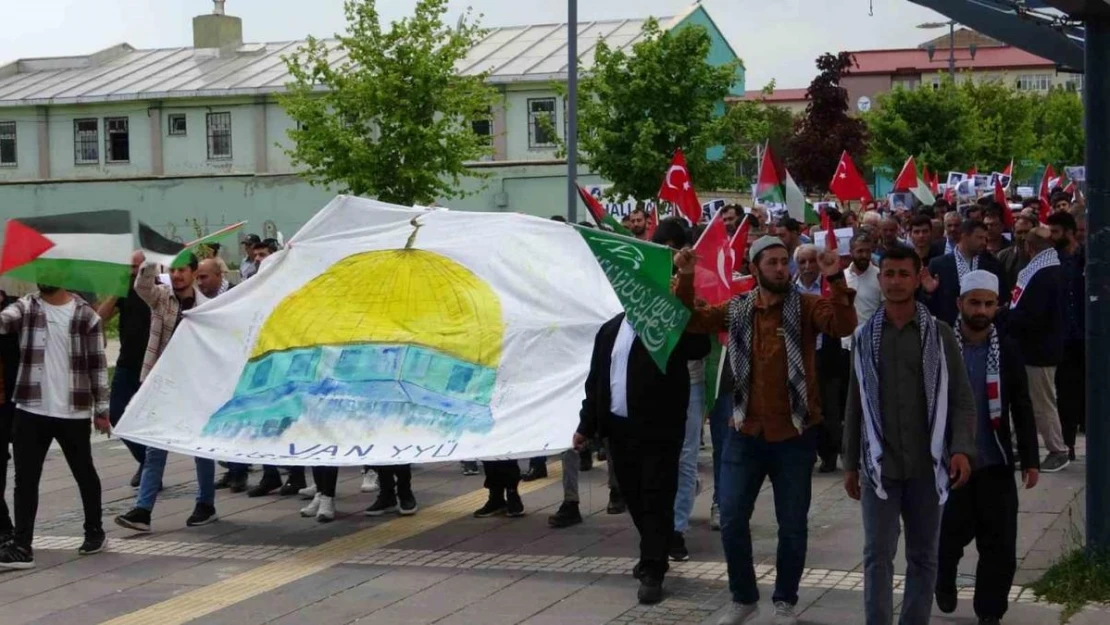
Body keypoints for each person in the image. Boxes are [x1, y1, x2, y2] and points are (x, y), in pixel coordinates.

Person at [674, 236, 857, 624]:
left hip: (794, 435)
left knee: (791, 525)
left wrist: (835, 277)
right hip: (744, 434)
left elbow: (842, 324)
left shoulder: (807, 306)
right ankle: (743, 598)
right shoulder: (738, 309)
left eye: (782, 262)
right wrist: (686, 275)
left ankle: (785, 602)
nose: (779, 269)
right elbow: (692, 318)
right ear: (755, 269)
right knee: (734, 519)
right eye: (771, 262)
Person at [843, 244, 976, 625]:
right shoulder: (864, 337)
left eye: (904, 274)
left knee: (923, 556)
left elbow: (963, 401)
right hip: (879, 467)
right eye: (889, 274)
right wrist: (850, 463)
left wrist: (962, 449)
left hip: (927, 465)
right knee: (877, 555)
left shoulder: (940, 335)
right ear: (880, 278)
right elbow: (856, 404)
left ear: (918, 278)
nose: (896, 281)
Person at [573, 308, 709, 605]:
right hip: (619, 430)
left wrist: (682, 306)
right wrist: (586, 425)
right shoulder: (610, 329)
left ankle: (653, 569)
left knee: (656, 497)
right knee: (633, 497)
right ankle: (654, 549)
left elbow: (700, 347)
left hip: (660, 430)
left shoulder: (667, 323)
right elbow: (597, 380)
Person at [935, 270, 1040, 625]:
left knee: (1000, 546)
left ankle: (989, 612)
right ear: (959, 303)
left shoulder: (1006, 349)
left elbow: (1022, 405)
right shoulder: (940, 345)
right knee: (948, 538)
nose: (981, 310)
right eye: (975, 303)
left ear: (997, 306)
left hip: (994, 460)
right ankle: (943, 580)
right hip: (948, 464)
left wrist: (1030, 460)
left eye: (989, 304)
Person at [0, 283, 110, 569]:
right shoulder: (27, 306)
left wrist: (102, 410)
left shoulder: (87, 316)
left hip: (72, 410)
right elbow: (4, 322)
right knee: (25, 479)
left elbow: (97, 365)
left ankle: (94, 531)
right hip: (31, 407)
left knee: (83, 471)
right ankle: (22, 546)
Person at [115, 254, 219, 533]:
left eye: (182, 270)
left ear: (194, 273)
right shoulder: (162, 298)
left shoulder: (206, 307)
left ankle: (205, 504)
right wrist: (151, 259)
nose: (177, 276)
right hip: (163, 382)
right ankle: (143, 510)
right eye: (173, 270)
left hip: (194, 384)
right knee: (155, 447)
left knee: (200, 447)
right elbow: (141, 286)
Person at [1004, 225, 1069, 472]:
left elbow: (1032, 315)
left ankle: (1057, 450)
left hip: (1038, 350)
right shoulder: (1052, 269)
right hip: (1038, 348)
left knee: (1042, 403)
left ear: (1029, 248)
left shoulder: (1041, 274)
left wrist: (1006, 316)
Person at [94, 251, 151, 487]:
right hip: (127, 363)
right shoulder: (124, 290)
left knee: (149, 420)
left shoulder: (158, 290)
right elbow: (98, 319)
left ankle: (151, 471)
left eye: (136, 267)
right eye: (129, 267)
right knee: (117, 414)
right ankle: (147, 463)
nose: (132, 271)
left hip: (153, 366)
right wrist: (116, 291)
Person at [795, 245, 847, 473]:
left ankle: (829, 454)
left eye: (811, 261)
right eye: (802, 262)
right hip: (799, 357)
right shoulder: (789, 290)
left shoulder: (828, 288)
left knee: (828, 408)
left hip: (826, 357)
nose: (807, 267)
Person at [1047, 212, 1085, 462]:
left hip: (1089, 338)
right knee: (1065, 393)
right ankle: (1067, 443)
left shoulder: (1090, 258)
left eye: (1056, 232)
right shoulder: (1050, 261)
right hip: (1063, 339)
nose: (1051, 237)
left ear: (1070, 232)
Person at [922, 220, 1008, 327]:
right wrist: (929, 292)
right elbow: (929, 304)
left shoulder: (993, 265)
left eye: (985, 239)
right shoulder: (938, 264)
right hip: (948, 328)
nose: (984, 243)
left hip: (983, 326)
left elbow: (1002, 297)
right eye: (979, 238)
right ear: (965, 236)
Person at [846, 233, 882, 330]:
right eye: (860, 251)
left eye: (868, 251)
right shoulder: (843, 277)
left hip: (871, 338)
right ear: (851, 252)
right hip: (846, 341)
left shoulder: (880, 276)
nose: (864, 255)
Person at [997, 214, 1036, 288]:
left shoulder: (1043, 256)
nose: (1023, 237)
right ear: (1014, 233)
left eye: (1027, 232)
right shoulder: (1003, 256)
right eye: (1019, 232)